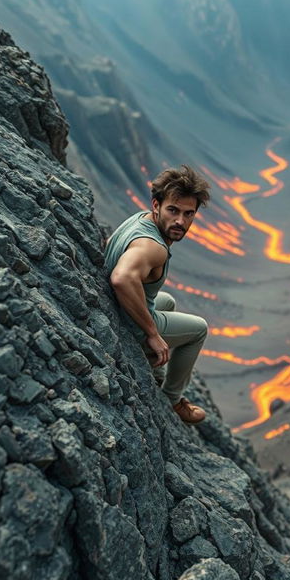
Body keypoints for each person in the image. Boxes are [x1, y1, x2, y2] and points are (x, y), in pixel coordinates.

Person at [104, 165, 210, 423]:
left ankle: (153, 363)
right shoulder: (154, 247)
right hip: (124, 318)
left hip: (109, 304)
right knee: (199, 329)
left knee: (168, 301)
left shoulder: (139, 219)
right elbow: (122, 278)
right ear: (157, 205)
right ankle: (174, 399)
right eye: (173, 210)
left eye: (189, 214)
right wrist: (152, 333)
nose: (180, 222)